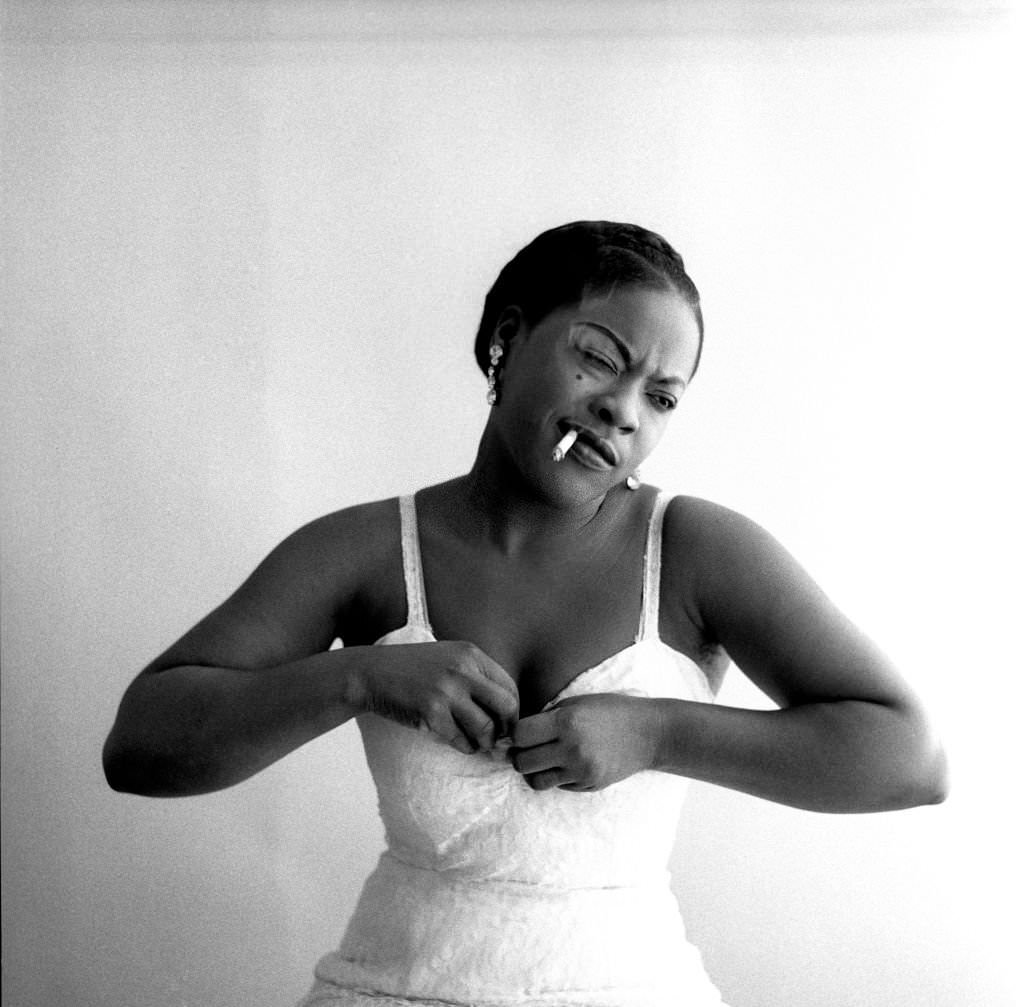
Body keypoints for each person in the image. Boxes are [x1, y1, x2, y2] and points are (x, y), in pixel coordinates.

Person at [103, 221, 948, 1006]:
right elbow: (141, 744)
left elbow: (910, 757)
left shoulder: (693, 551)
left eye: (662, 397)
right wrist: (356, 676)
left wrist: (656, 732)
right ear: (507, 337)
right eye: (599, 356)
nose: (624, 407)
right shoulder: (364, 551)